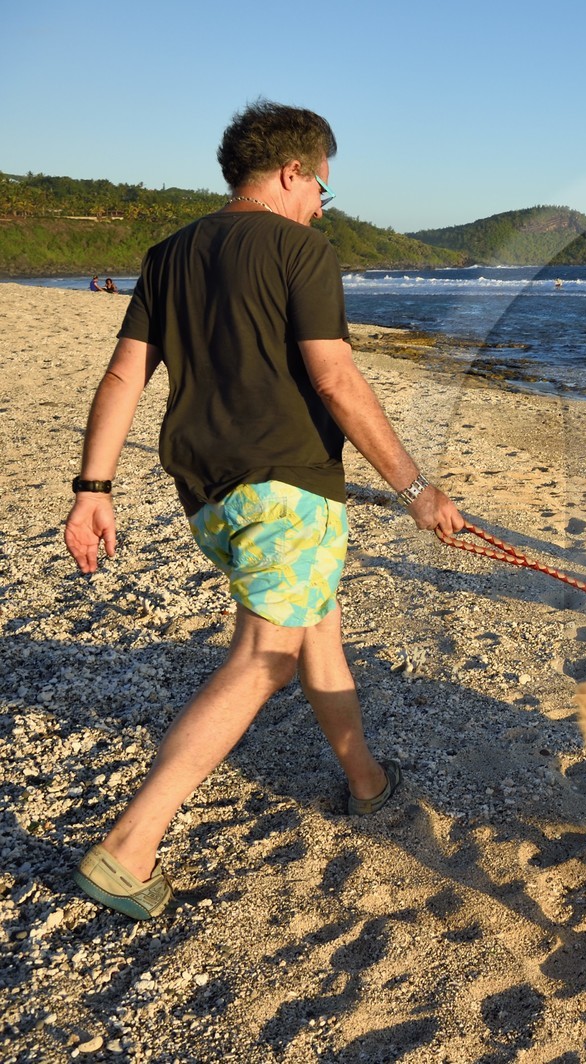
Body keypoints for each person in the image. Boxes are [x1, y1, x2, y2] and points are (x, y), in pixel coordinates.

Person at [63, 100, 466, 921]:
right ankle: (127, 849)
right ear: (291, 173)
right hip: (286, 485)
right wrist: (416, 489)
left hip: (207, 492)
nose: (323, 203)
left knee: (317, 623)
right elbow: (336, 379)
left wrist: (92, 491)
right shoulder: (299, 247)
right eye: (322, 186)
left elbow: (121, 379)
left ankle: (366, 783)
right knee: (266, 655)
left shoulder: (169, 253)